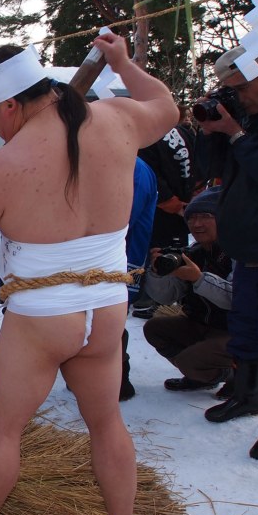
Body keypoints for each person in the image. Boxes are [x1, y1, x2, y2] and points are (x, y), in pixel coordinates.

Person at [0, 31, 178, 515]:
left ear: (11, 104)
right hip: (106, 306)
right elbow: (167, 108)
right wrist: (123, 62)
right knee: (106, 420)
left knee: (3, 432)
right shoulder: (118, 118)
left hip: (41, 315)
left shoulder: (4, 165)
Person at [197, 46, 258, 461]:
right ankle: (247, 395)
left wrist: (237, 133)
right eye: (228, 89)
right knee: (246, 326)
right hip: (250, 243)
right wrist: (214, 132)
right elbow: (212, 171)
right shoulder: (248, 110)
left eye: (241, 88)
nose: (236, 96)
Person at [142, 187, 234, 394]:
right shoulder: (194, 254)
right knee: (155, 329)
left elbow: (237, 299)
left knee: (190, 360)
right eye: (191, 218)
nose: (197, 224)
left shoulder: (239, 253)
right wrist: (158, 272)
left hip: (237, 331)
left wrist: (199, 279)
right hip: (202, 324)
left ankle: (237, 376)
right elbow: (165, 297)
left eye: (205, 216)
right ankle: (201, 375)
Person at [131, 115, 196, 319]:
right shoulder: (181, 131)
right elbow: (199, 166)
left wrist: (173, 204)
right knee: (173, 251)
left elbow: (149, 175)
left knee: (155, 252)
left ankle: (150, 298)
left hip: (162, 209)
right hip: (180, 206)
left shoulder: (145, 138)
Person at [120, 157, 157, 400]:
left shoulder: (135, 167)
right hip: (110, 252)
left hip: (124, 253)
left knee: (109, 319)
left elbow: (123, 218)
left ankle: (119, 379)